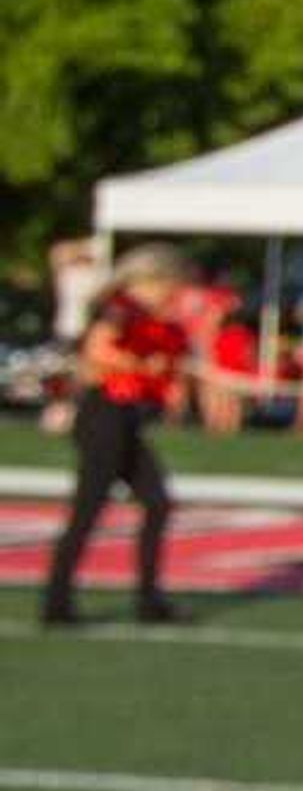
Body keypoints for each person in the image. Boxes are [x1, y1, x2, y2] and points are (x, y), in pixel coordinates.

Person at [41, 243, 190, 627]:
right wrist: (146, 367)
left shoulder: (145, 316)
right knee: (88, 510)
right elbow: (98, 352)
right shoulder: (120, 308)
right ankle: (57, 601)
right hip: (103, 415)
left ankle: (149, 598)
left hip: (126, 417)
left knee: (156, 501)